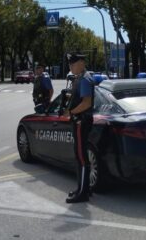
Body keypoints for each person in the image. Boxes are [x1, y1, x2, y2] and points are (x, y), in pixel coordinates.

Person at [65, 53, 95, 203]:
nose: (71, 67)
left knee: (82, 157)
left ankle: (83, 193)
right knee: (80, 156)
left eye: (73, 63)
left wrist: (71, 112)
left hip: (81, 121)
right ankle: (83, 188)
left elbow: (86, 103)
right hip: (79, 120)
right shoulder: (80, 77)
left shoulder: (84, 79)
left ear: (81, 63)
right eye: (70, 64)